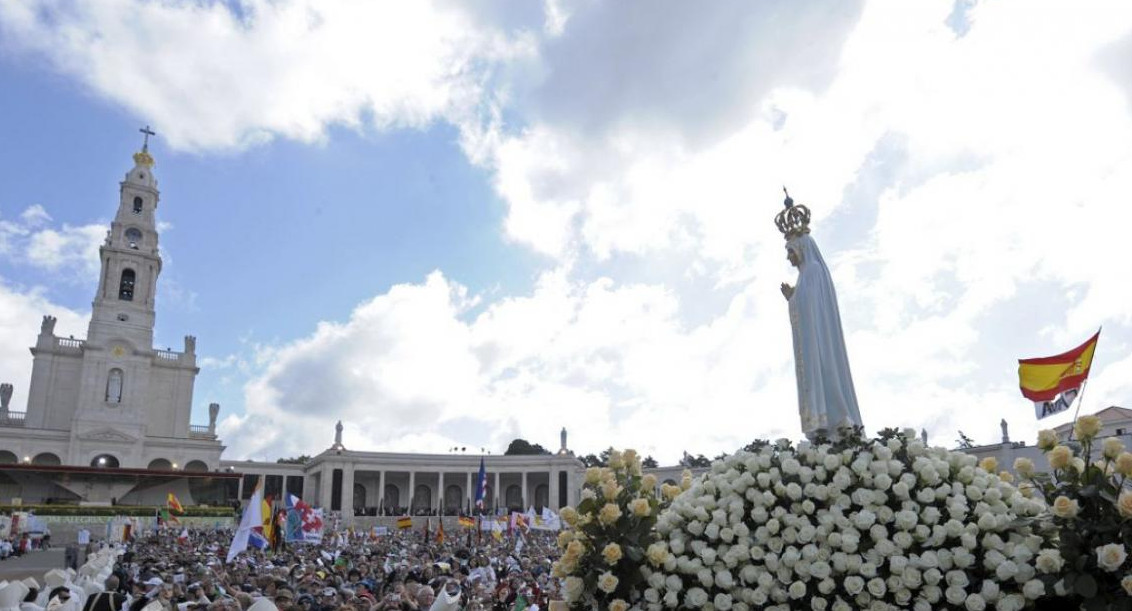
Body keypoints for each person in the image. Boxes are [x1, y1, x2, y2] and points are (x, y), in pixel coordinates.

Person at [777, 193, 864, 440]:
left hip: (820, 343)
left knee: (827, 378)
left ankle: (836, 421)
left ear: (802, 248)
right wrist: (794, 296)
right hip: (815, 339)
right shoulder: (806, 275)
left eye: (790, 251)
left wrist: (793, 299)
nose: (788, 257)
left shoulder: (813, 271)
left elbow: (810, 308)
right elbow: (807, 305)